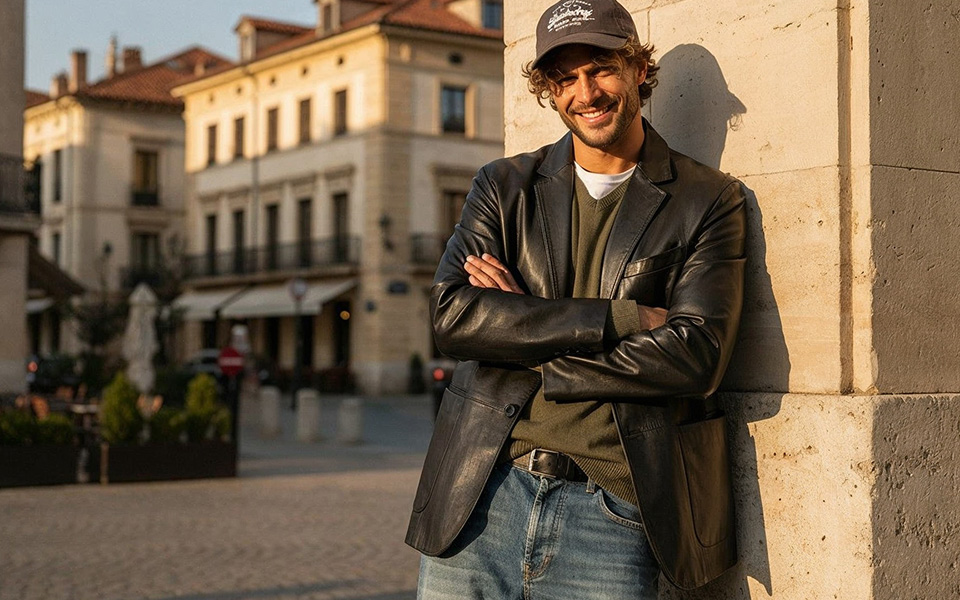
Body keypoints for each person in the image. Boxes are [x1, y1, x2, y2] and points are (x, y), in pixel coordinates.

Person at [406, 0, 746, 597]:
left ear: (640, 69)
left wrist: (519, 329)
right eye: (564, 79)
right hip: (482, 493)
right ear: (548, 90)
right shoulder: (503, 185)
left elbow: (697, 356)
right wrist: (624, 318)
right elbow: (453, 317)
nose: (585, 92)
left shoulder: (708, 200)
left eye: (601, 68)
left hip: (613, 510)